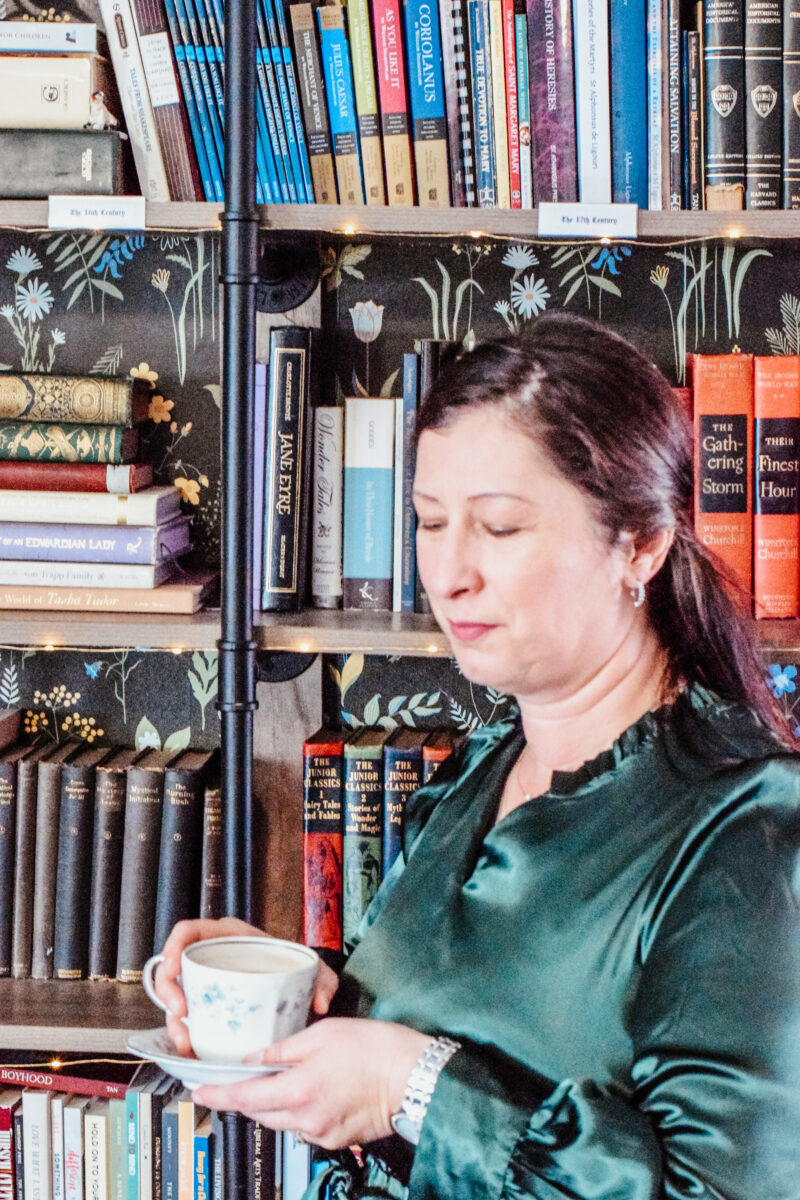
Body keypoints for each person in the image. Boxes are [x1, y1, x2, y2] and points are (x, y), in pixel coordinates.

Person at [154, 312, 800, 1200]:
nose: (449, 572)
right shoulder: (473, 775)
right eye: (428, 521)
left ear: (640, 544)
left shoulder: (752, 828)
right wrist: (294, 991)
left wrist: (410, 1088)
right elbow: (447, 1024)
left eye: (498, 528)